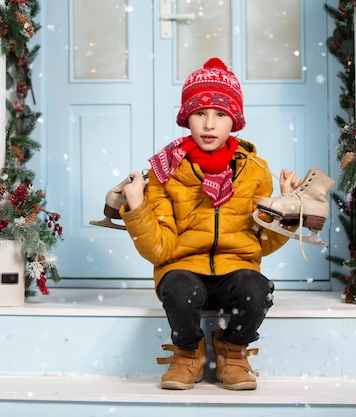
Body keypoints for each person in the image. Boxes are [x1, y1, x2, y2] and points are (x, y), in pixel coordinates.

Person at [119, 58, 301, 391]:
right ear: (186, 117)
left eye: (220, 114)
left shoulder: (256, 172)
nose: (209, 124)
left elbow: (261, 243)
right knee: (179, 290)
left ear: (235, 120)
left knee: (256, 290)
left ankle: (232, 349)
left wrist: (286, 207)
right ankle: (188, 352)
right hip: (185, 266)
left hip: (236, 267)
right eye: (200, 112)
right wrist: (137, 204)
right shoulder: (166, 171)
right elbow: (158, 249)